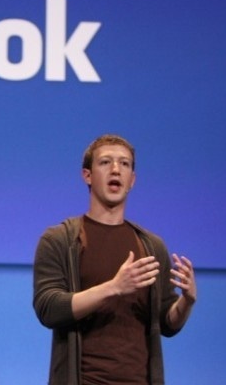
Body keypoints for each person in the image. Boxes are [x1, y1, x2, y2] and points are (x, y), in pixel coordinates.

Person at [32, 134, 197, 385]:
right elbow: (49, 308)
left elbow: (166, 323)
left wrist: (187, 302)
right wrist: (114, 287)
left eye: (124, 164)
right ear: (87, 175)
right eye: (105, 162)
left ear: (132, 180)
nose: (116, 169)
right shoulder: (60, 240)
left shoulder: (151, 246)